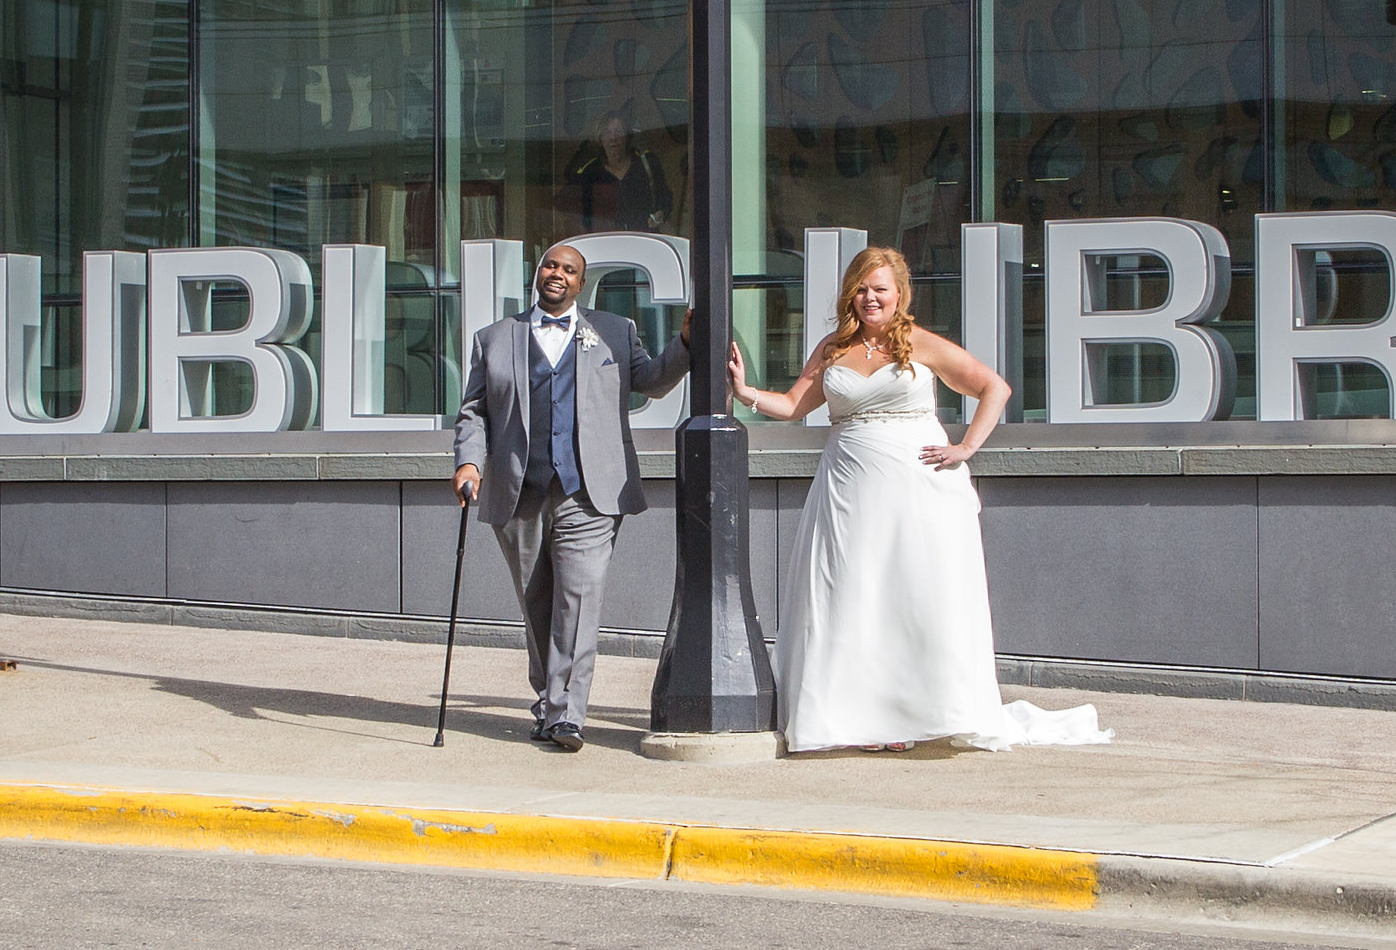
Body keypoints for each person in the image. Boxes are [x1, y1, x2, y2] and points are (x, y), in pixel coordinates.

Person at [730, 246, 1111, 754]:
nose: (870, 298)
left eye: (880, 289)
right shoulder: (832, 347)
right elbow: (796, 405)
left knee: (909, 595)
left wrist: (965, 448)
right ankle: (854, 716)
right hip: (847, 490)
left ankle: (907, 717)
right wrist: (746, 391)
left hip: (919, 491)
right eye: (861, 288)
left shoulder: (919, 343)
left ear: (899, 295)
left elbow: (993, 387)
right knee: (852, 593)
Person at [452, 240, 688, 751]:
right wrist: (469, 461)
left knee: (577, 601)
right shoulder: (493, 338)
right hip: (519, 492)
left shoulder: (613, 331)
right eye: (550, 265)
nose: (557, 273)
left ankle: (565, 715)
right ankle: (548, 700)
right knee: (537, 603)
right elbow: (473, 410)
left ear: (582, 283)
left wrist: (685, 345)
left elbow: (650, 381)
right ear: (538, 274)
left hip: (591, 493)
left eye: (569, 269)